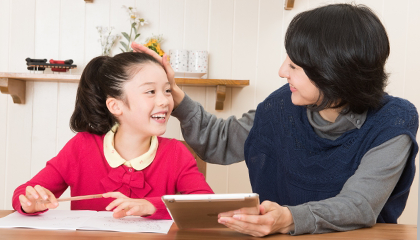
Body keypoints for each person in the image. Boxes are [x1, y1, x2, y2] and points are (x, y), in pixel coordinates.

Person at [132, 3, 419, 237]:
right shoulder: (282, 104)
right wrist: (173, 94)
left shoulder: (392, 121)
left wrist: (290, 218)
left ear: (334, 74)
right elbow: (219, 141)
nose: (283, 71)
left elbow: (359, 204)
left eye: (295, 65)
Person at [12, 52, 213, 219]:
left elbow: (206, 206)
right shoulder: (81, 147)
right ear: (115, 105)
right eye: (151, 91)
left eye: (167, 90)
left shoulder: (176, 153)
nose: (164, 101)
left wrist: (150, 206)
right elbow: (23, 193)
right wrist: (30, 202)